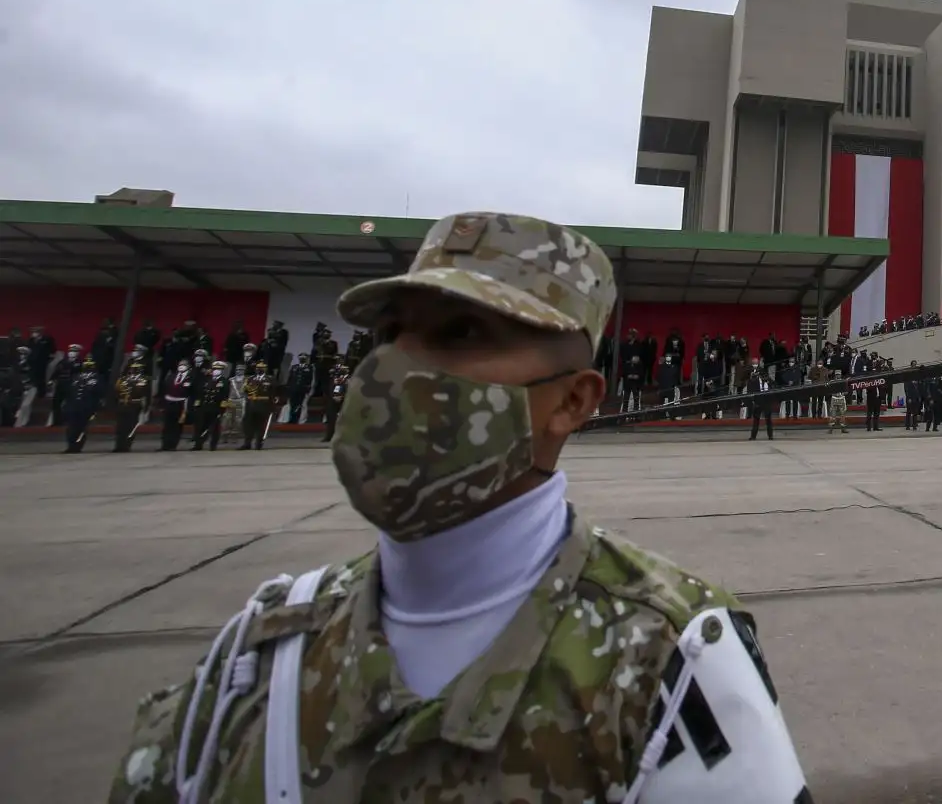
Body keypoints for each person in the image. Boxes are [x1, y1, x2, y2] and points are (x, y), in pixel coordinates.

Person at [109, 211, 807, 803]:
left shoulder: (672, 660)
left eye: (462, 333)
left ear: (573, 400)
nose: (394, 368)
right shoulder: (260, 652)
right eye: (390, 335)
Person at [747, 362, 776, 440]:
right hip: (758, 401)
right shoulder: (754, 381)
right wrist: (753, 401)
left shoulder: (768, 380)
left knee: (768, 420)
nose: (763, 376)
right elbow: (750, 390)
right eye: (762, 375)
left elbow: (774, 386)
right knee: (756, 420)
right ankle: (753, 436)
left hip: (767, 401)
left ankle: (770, 436)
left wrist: (768, 382)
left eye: (764, 375)